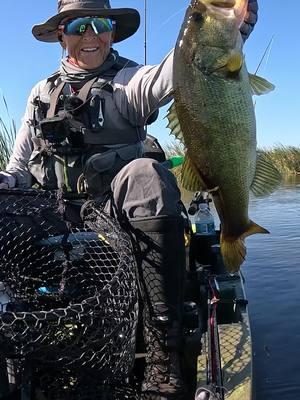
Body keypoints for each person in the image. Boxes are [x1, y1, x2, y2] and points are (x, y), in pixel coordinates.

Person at [0, 0, 258, 397]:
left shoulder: (127, 82)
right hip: (55, 216)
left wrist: (229, 29)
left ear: (112, 31)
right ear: (60, 36)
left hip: (119, 217)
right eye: (77, 25)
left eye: (99, 23)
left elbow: (178, 71)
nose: (90, 34)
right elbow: (18, 168)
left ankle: (163, 355)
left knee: (146, 176)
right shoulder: (40, 92)